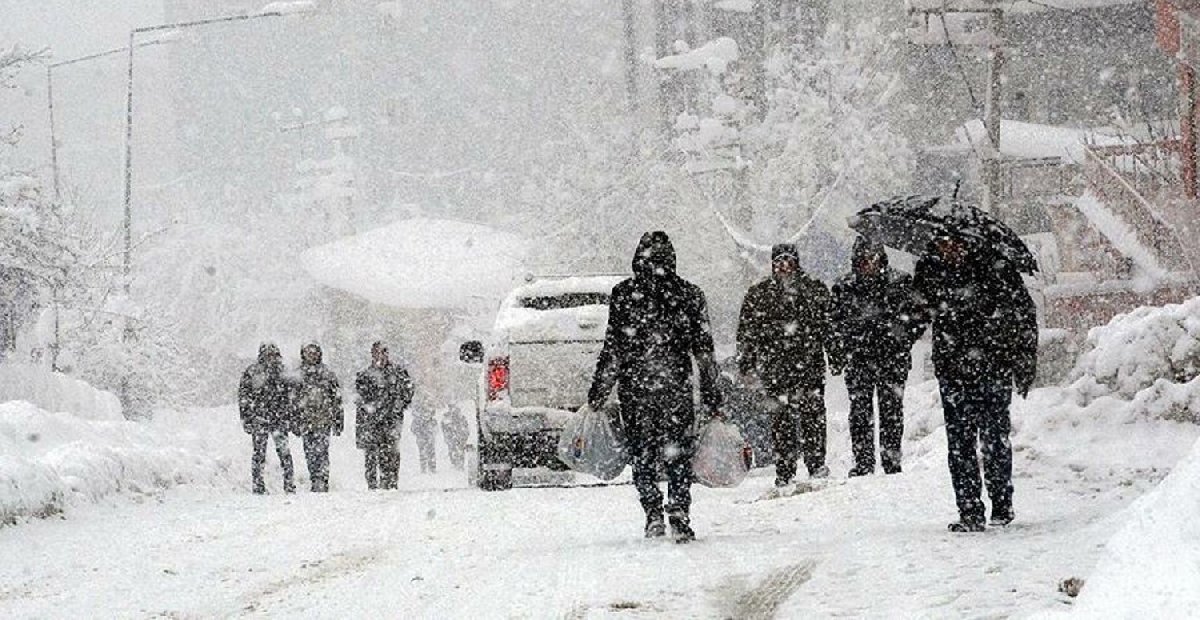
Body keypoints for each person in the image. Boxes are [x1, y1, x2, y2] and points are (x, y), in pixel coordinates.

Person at [588, 231, 722, 543]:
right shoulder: (689, 294)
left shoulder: (624, 294)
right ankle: (679, 511)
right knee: (678, 454)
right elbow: (704, 351)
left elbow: (614, 349)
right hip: (675, 388)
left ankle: (652, 512)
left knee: (642, 454)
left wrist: (599, 390)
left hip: (637, 389)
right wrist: (713, 394)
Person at [911, 236, 1037, 532]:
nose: (949, 250)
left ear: (968, 243)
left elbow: (1023, 314)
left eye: (954, 244)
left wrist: (1024, 362)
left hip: (992, 367)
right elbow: (916, 314)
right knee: (960, 444)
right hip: (954, 370)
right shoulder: (931, 270)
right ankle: (970, 510)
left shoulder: (995, 268)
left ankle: (1001, 504)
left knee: (994, 439)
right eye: (943, 244)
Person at [737, 243, 842, 489]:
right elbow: (747, 332)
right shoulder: (760, 294)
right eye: (779, 262)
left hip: (808, 365)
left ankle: (816, 464)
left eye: (788, 261)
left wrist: (835, 355)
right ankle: (784, 470)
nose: (784, 267)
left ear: (796, 263)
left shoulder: (814, 291)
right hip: (776, 368)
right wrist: (746, 362)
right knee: (781, 421)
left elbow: (829, 326)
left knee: (812, 417)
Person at [831, 237, 919, 476]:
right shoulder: (844, 287)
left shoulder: (900, 283)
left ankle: (891, 461)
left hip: (892, 358)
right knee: (860, 412)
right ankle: (863, 462)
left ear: (881, 259)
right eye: (863, 259)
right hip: (859, 359)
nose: (868, 264)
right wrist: (843, 348)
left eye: (872, 258)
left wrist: (902, 339)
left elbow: (915, 318)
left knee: (891, 412)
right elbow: (834, 323)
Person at [354, 341, 413, 490]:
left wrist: (399, 404)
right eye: (376, 353)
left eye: (382, 353)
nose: (380, 356)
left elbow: (408, 390)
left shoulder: (398, 373)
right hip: (372, 420)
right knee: (371, 453)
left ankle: (390, 481)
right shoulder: (365, 375)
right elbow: (360, 398)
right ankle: (373, 483)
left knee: (391, 452)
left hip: (391, 419)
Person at [238, 343, 295, 494]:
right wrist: (246, 418)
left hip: (278, 419)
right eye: (268, 354)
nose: (271, 357)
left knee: (284, 453)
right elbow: (244, 396)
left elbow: (291, 397)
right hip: (259, 419)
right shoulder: (253, 372)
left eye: (273, 354)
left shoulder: (282, 373)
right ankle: (258, 485)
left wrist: (290, 416)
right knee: (259, 454)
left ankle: (289, 484)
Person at [293, 342, 343, 493]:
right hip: (305, 421)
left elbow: (336, 399)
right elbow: (292, 400)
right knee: (309, 453)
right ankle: (314, 478)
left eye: (314, 353)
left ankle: (322, 480)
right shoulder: (298, 375)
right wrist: (294, 420)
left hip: (323, 420)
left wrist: (338, 420)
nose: (312, 356)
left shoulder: (327, 374)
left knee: (322, 451)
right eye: (309, 353)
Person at [441, 405, 469, 470]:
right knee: (456, 450)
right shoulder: (448, 416)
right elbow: (444, 427)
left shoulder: (458, 417)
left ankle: (458, 464)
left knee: (457, 450)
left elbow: (465, 427)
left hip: (457, 436)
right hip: (455, 436)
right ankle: (458, 464)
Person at [411, 406, 438, 474]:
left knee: (429, 453)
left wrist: (431, 434)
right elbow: (413, 429)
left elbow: (436, 429)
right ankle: (426, 468)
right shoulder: (418, 421)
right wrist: (419, 434)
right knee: (424, 453)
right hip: (423, 439)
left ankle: (431, 468)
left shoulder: (431, 420)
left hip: (428, 439)